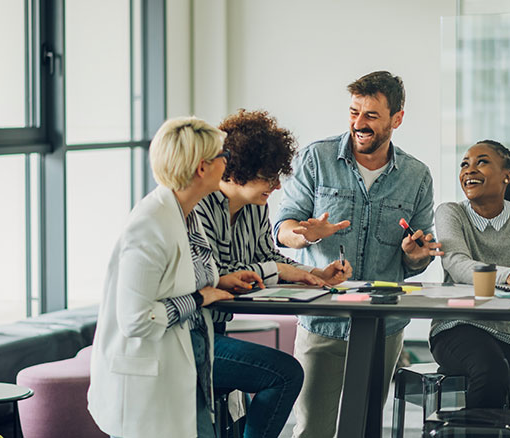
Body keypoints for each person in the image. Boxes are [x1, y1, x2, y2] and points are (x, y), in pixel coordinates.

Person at [275, 71, 442, 438]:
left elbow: (416, 259)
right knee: (313, 431)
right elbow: (281, 229)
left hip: (383, 328)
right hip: (323, 322)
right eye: (354, 112)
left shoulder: (417, 176)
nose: (359, 123)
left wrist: (415, 254)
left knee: (363, 430)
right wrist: (302, 234)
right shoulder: (316, 159)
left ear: (397, 119)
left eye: (371, 115)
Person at [87, 117, 260, 438]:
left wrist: (219, 282)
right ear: (202, 168)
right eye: (223, 156)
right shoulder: (149, 225)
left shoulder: (188, 214)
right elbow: (136, 319)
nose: (227, 163)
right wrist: (199, 298)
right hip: (147, 383)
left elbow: (175, 276)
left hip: (187, 368)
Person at [191, 109, 352, 438]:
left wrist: (313, 273)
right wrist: (277, 270)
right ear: (239, 170)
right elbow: (214, 274)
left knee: (280, 374)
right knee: (285, 373)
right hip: (188, 337)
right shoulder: (200, 205)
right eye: (268, 176)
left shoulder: (255, 207)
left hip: (214, 331)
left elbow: (266, 256)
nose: (277, 186)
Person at [430, 140, 510, 427]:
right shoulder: (451, 212)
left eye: (481, 162)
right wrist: (507, 275)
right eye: (465, 164)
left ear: (507, 175)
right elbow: (456, 264)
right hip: (457, 326)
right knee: (492, 369)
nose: (469, 169)